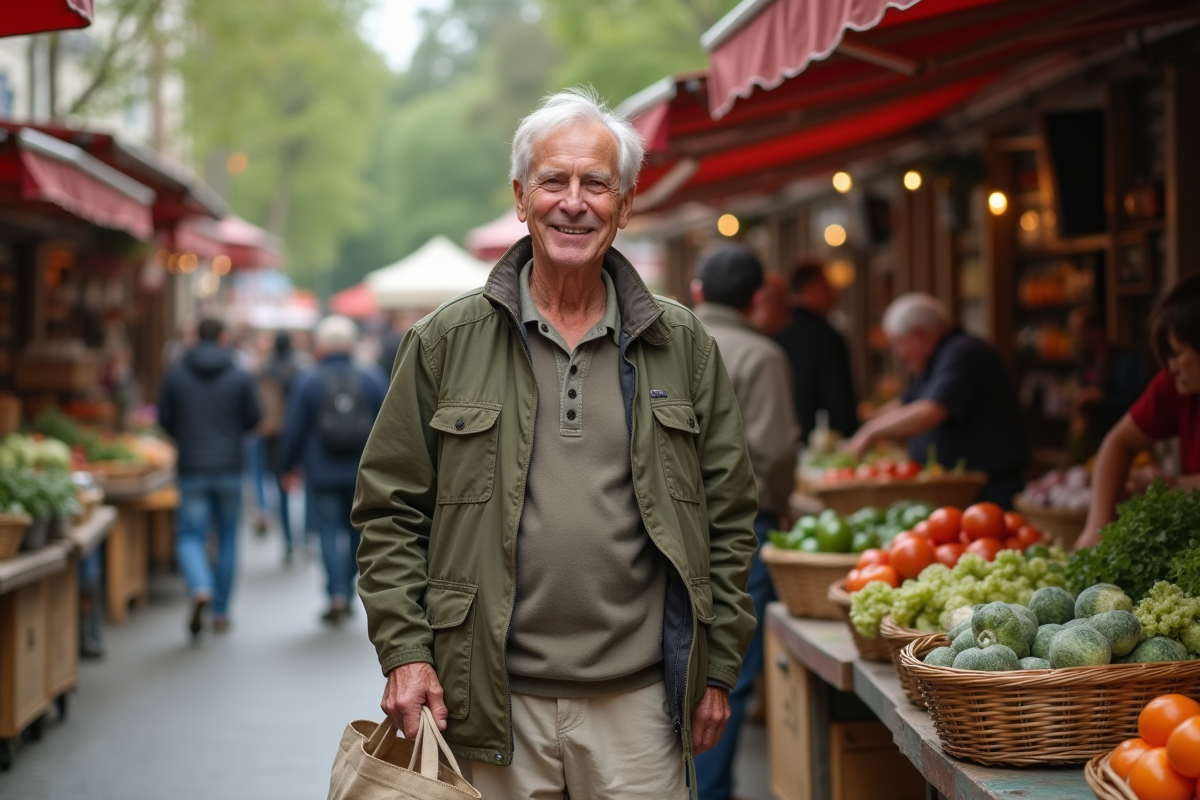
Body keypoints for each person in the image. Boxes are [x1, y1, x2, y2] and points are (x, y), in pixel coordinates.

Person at [352, 88, 759, 798]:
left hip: (641, 707)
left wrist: (718, 666)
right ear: (521, 197)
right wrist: (406, 653)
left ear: (624, 206)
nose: (574, 203)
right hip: (487, 701)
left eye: (596, 183)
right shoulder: (446, 341)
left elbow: (728, 517)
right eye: (554, 181)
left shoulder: (682, 343)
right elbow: (389, 512)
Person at [691, 245, 799, 800]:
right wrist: (781, 503)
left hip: (671, 532)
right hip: (741, 529)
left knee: (677, 666)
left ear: (697, 291)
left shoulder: (669, 341)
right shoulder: (763, 355)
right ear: (758, 299)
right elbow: (775, 454)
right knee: (724, 674)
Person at [847, 293, 1027, 507]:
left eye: (899, 343)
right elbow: (906, 403)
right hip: (960, 490)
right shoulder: (934, 359)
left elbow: (932, 410)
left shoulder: (964, 352)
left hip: (988, 489)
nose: (900, 354)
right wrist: (865, 420)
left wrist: (871, 431)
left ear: (918, 334)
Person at [158, 317, 262, 637]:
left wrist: (185, 437)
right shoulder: (240, 374)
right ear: (223, 337)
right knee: (228, 537)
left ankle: (201, 585)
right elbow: (254, 418)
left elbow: (164, 419)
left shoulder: (176, 374)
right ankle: (221, 611)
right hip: (230, 466)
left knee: (190, 535)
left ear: (193, 337)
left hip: (192, 467)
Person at [278, 316, 386, 622]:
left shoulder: (308, 380)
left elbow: (294, 429)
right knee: (357, 532)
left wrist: (286, 467)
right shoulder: (372, 378)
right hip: (362, 471)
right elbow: (390, 425)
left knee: (326, 531)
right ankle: (347, 585)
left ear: (322, 346)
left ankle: (335, 591)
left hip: (320, 469)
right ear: (351, 344)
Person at [1078, 277, 1200, 548]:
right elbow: (1118, 442)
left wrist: (1172, 486)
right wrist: (1095, 529)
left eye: (1177, 354)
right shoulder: (1175, 383)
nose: (1170, 367)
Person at [774, 260, 859, 440]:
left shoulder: (776, 331)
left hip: (781, 436)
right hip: (824, 441)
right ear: (815, 287)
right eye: (829, 286)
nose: (835, 294)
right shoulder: (826, 336)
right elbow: (840, 402)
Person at [1067, 307, 1151, 462]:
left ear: (1098, 331)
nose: (1077, 339)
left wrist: (1102, 398)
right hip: (1094, 441)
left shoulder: (1125, 361)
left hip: (1124, 440)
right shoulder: (1087, 362)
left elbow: (1138, 401)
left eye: (1081, 333)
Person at [256, 331, 308, 562]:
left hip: (274, 436)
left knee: (282, 488)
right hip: (301, 434)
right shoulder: (300, 370)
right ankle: (305, 538)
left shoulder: (265, 371)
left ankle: (288, 541)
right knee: (307, 488)